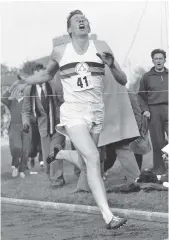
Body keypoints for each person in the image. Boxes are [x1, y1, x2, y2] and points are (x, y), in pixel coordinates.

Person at [10, 10, 127, 229]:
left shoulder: (101, 48)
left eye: (84, 19)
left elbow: (123, 79)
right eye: (76, 20)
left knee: (89, 162)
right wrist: (26, 81)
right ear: (69, 29)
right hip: (73, 112)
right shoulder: (60, 51)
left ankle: (63, 154)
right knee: (92, 157)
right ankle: (109, 216)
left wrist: (111, 65)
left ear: (89, 27)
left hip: (96, 112)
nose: (82, 21)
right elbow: (46, 75)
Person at [22, 63, 65, 187]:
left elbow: (63, 102)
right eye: (38, 76)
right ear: (33, 76)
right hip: (43, 127)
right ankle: (52, 177)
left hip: (58, 124)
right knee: (47, 159)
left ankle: (58, 180)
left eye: (43, 75)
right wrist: (25, 122)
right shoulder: (29, 90)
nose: (41, 78)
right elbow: (26, 110)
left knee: (55, 152)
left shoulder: (54, 85)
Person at [138, 49, 168, 175]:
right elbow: (140, 96)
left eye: (161, 58)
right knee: (158, 142)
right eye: (156, 59)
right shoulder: (146, 77)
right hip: (154, 111)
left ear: (165, 60)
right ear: (153, 61)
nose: (158, 61)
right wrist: (145, 110)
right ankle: (160, 170)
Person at [1, 89, 30, 178]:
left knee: (25, 150)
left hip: (26, 126)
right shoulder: (12, 102)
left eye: (21, 91)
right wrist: (10, 89)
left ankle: (22, 169)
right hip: (14, 127)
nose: (18, 93)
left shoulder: (27, 101)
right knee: (16, 147)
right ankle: (15, 166)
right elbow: (3, 98)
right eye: (17, 91)